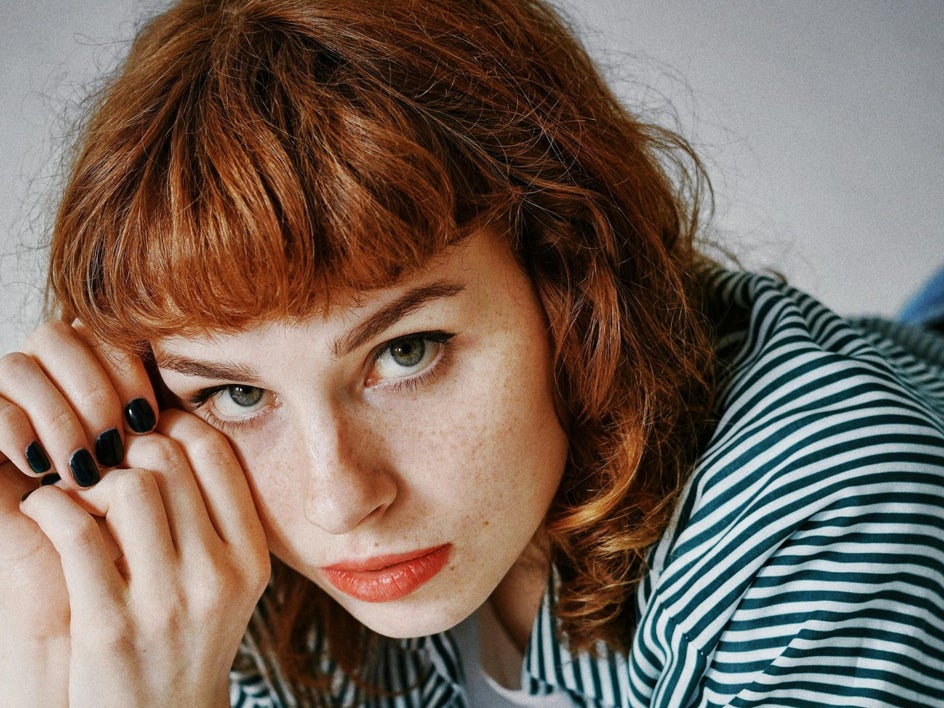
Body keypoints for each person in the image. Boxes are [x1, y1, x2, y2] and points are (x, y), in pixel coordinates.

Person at [1, 0, 942, 705]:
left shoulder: (827, 508)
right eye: (239, 395)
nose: (340, 499)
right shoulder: (206, 534)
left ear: (571, 278)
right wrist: (50, 626)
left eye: (407, 351)